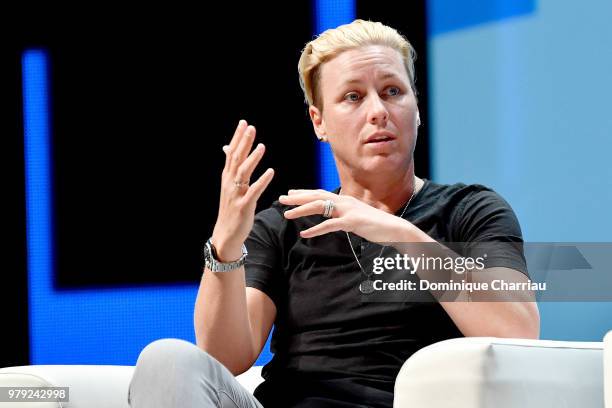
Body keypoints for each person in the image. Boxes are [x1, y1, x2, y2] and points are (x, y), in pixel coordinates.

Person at [127, 19, 540, 407]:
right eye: (354, 97)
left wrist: (401, 234)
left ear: (417, 108)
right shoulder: (283, 226)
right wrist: (226, 242)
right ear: (319, 122)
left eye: (394, 91)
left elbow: (517, 330)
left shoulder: (471, 211)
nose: (378, 110)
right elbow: (226, 357)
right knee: (168, 359)